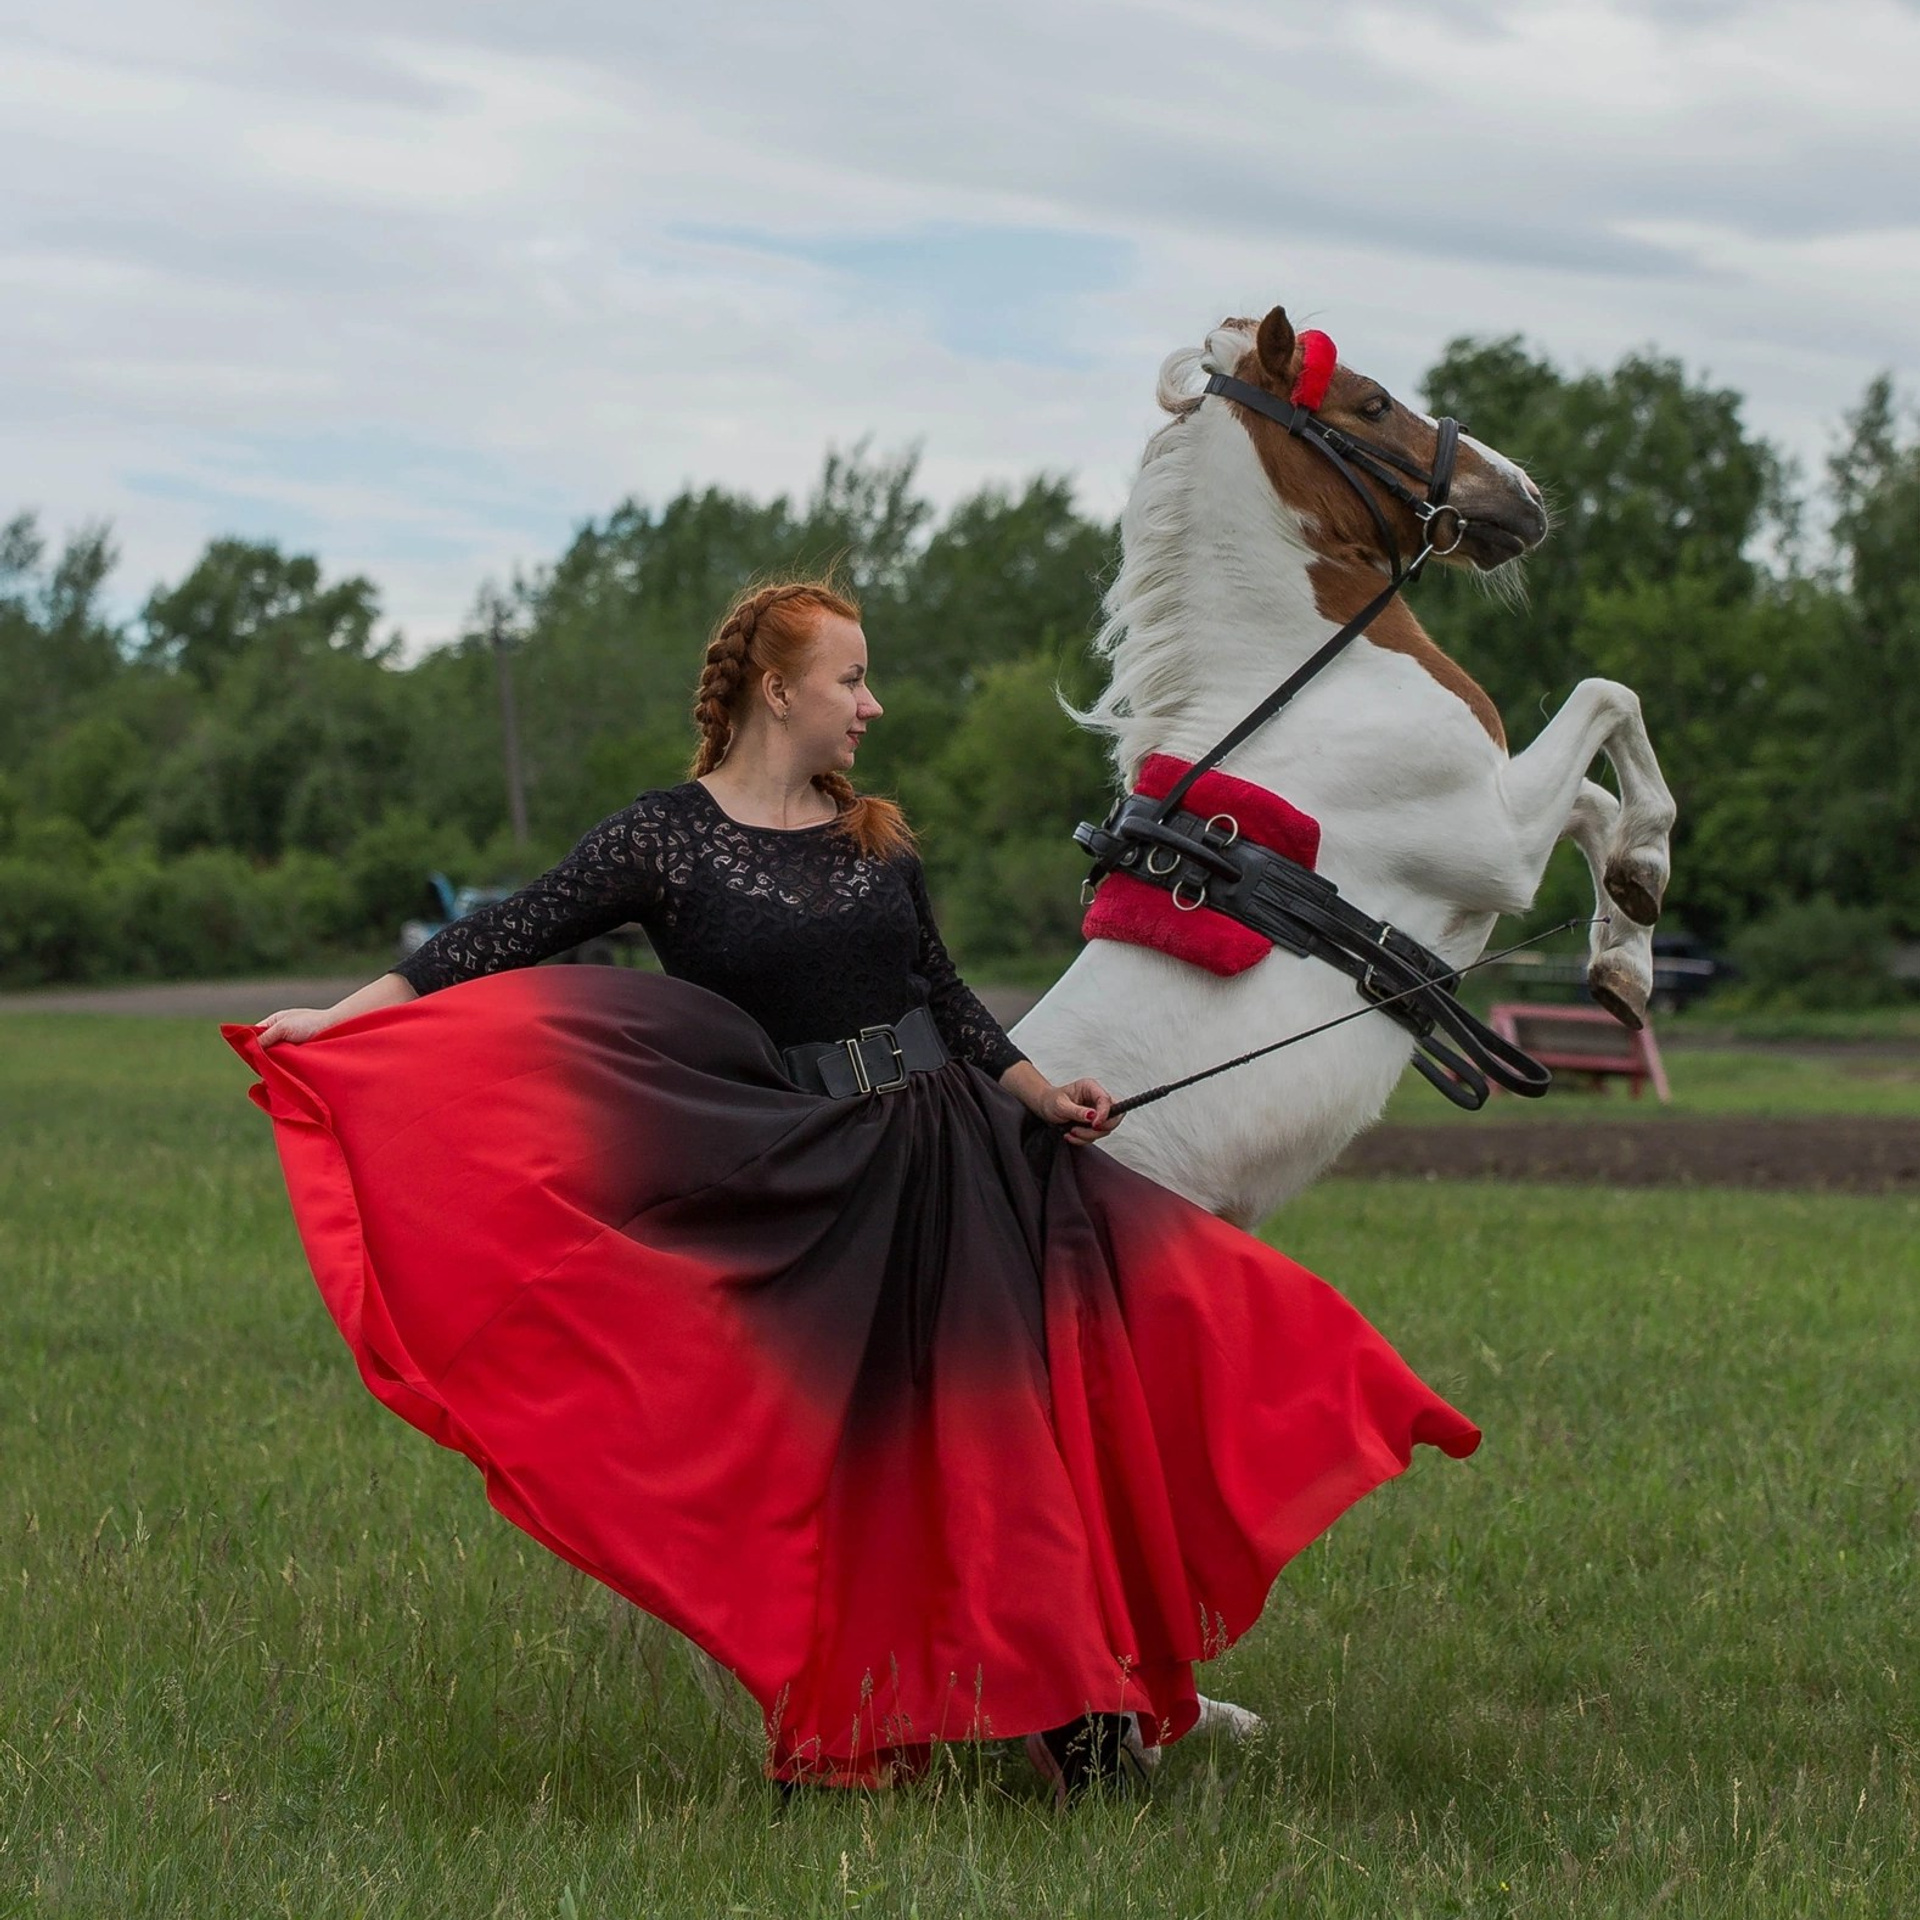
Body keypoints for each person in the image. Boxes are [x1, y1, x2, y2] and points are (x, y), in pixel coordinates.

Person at [227, 579, 1478, 1804]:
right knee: (861, 1475)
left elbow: (939, 991)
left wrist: (1039, 1092)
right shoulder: (662, 838)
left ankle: (1085, 1725)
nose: (870, 704)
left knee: (1030, 1436)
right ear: (779, 691)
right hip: (814, 1185)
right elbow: (491, 945)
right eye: (850, 678)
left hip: (956, 1156)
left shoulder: (874, 833)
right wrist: (341, 1025)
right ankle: (864, 1715)